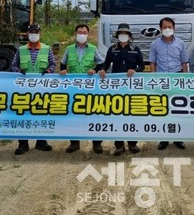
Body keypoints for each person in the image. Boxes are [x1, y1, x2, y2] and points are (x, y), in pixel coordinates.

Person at [98, 23, 144, 156]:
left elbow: (141, 66)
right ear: (117, 36)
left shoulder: (136, 49)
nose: (123, 36)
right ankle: (119, 145)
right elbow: (106, 63)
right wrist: (102, 70)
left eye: (126, 34)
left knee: (131, 115)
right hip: (116, 87)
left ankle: (132, 143)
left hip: (131, 87)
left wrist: (134, 70)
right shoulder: (112, 49)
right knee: (117, 115)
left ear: (129, 36)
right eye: (121, 34)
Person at [10, 24, 56, 155]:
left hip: (42, 88)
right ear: (27, 34)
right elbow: (13, 65)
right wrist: (18, 71)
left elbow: (53, 64)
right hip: (24, 90)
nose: (34, 34)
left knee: (41, 114)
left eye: (36, 32)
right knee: (23, 116)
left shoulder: (47, 49)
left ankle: (41, 142)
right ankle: (23, 144)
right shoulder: (21, 50)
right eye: (31, 32)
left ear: (40, 34)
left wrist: (48, 70)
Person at [60, 24, 104, 154]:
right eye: (80, 32)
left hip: (90, 88)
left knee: (93, 115)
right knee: (73, 115)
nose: (82, 35)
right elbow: (63, 63)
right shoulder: (69, 49)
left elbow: (101, 63)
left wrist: (94, 70)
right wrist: (63, 71)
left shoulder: (93, 48)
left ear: (88, 34)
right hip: (73, 87)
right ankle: (74, 143)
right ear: (75, 33)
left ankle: (96, 143)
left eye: (84, 32)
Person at [149, 17, 189, 150]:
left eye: (169, 27)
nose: (167, 29)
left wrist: (184, 79)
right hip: (161, 79)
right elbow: (152, 63)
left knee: (177, 108)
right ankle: (164, 138)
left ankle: (179, 138)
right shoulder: (155, 44)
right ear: (160, 29)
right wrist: (154, 80)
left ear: (174, 28)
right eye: (164, 27)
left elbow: (184, 63)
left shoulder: (181, 44)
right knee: (163, 108)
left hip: (177, 77)